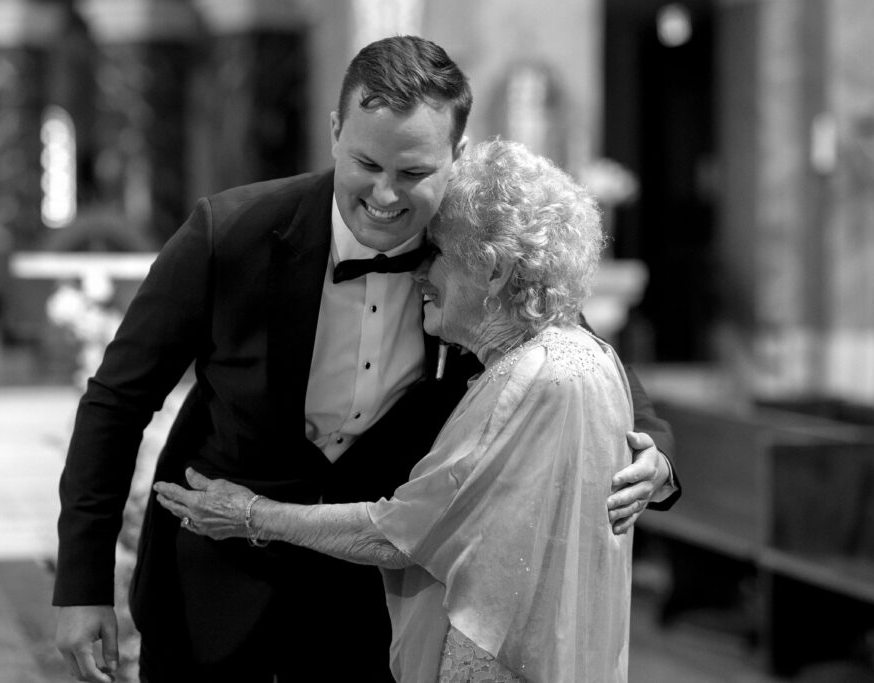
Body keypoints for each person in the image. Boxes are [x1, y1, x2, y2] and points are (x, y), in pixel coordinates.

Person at [54, 36, 679, 683]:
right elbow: (117, 401)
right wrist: (81, 585)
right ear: (334, 131)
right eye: (367, 163)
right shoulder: (228, 232)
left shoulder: (477, 260)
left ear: (456, 156)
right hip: (208, 589)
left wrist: (652, 456)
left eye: (412, 173)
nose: (385, 194)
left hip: (368, 613)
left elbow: (588, 361)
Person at [156, 137, 641, 682]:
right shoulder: (582, 357)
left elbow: (399, 533)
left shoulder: (528, 379)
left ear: (494, 270)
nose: (416, 273)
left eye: (436, 253)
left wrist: (250, 515)